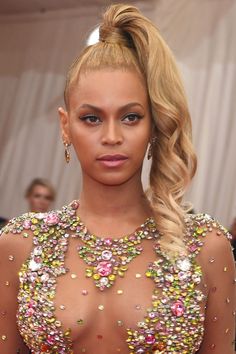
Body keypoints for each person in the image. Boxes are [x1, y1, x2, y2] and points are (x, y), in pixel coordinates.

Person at [0, 4, 235, 353]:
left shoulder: (206, 247)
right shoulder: (20, 244)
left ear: (154, 125)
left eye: (130, 117)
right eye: (92, 119)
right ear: (66, 126)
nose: (111, 136)